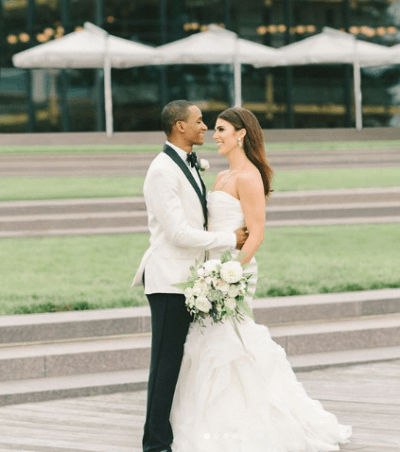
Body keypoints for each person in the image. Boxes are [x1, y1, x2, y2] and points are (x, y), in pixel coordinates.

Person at [170, 107, 352, 452]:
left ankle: (248, 425)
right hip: (210, 272)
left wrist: (230, 274)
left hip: (233, 273)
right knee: (207, 342)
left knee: (231, 342)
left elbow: (256, 233)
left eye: (221, 129)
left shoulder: (249, 176)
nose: (214, 135)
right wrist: (208, 272)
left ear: (241, 134)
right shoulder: (222, 177)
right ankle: (211, 423)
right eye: (214, 129)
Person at [132, 100, 248, 452]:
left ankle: (170, 435)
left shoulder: (188, 163)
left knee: (178, 362)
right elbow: (178, 233)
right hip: (168, 279)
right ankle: (155, 444)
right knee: (165, 363)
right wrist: (230, 239)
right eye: (198, 121)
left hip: (190, 279)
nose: (205, 127)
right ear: (180, 126)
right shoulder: (162, 170)